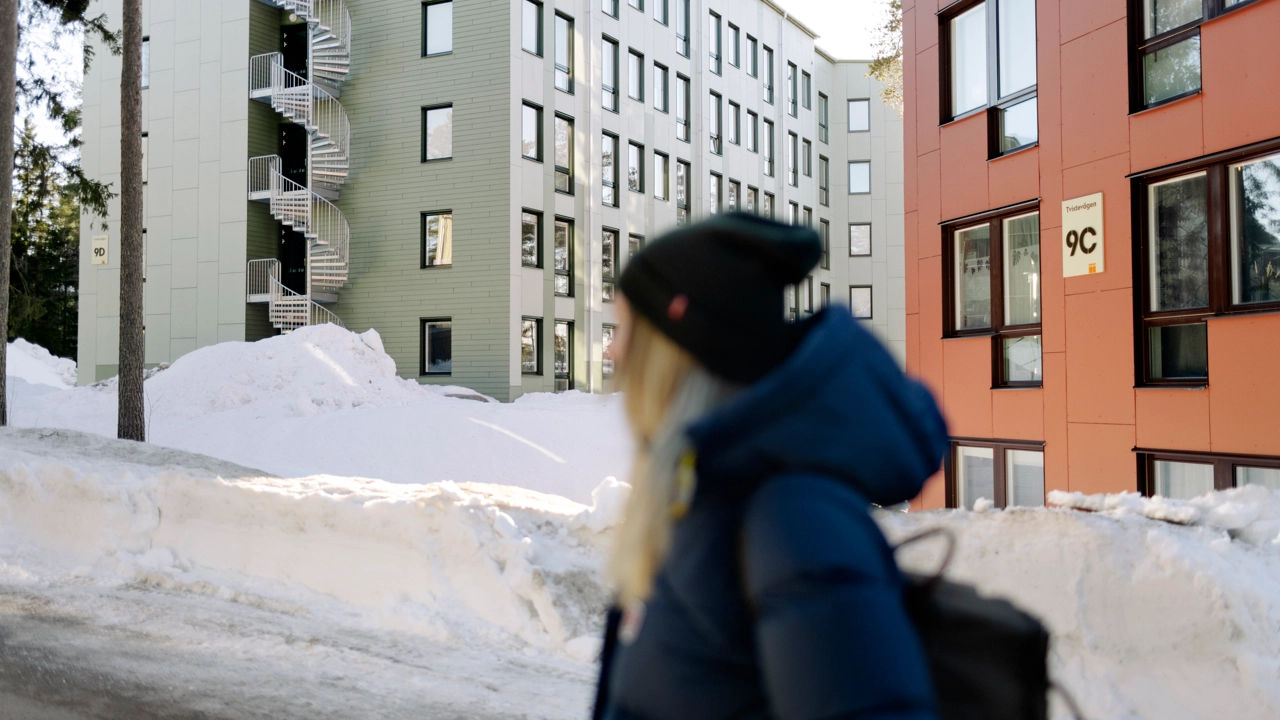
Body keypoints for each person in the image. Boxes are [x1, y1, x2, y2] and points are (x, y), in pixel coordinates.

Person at [593, 213, 948, 720]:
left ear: (679, 353)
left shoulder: (792, 520)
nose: (613, 349)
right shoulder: (704, 490)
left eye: (624, 327)